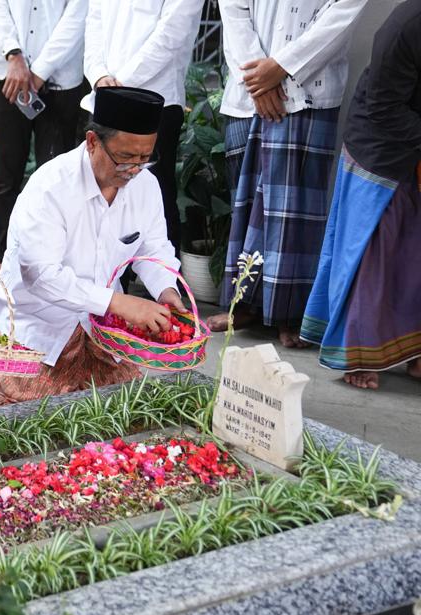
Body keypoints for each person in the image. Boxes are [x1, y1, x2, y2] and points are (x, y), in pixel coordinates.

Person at [0, 87, 186, 407]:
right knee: (39, 415)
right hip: (40, 321)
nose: (134, 169)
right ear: (92, 142)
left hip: (101, 328)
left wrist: (167, 292)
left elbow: (153, 249)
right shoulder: (50, 188)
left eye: (144, 158)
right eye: (125, 157)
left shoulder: (145, 184)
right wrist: (118, 302)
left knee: (125, 406)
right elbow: (42, 276)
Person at [208, 0, 367, 347]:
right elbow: (233, 8)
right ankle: (245, 304)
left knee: (294, 214)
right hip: (247, 89)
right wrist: (258, 80)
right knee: (246, 203)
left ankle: (290, 313)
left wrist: (282, 68)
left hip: (310, 88)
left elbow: (342, 13)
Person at [300, 0, 421, 390]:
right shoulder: (409, 22)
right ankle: (356, 356)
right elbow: (385, 106)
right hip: (381, 147)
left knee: (414, 257)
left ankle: (416, 355)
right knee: (372, 255)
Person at [82, 0, 203, 253]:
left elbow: (172, 34)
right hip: (104, 96)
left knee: (154, 194)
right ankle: (104, 281)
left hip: (156, 99)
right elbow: (94, 24)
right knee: (99, 192)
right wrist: (98, 75)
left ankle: (163, 282)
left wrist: (120, 86)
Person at [0, 0, 88, 265]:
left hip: (60, 80)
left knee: (56, 179)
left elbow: (76, 19)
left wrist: (38, 72)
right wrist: (13, 54)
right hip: (7, 75)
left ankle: (49, 262)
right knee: (4, 175)